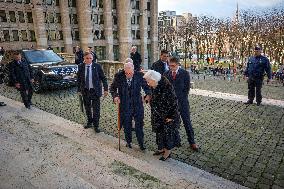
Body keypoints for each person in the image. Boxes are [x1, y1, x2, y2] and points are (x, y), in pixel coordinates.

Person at [110, 59, 151, 150]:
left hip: (137, 105)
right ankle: (128, 142)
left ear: (133, 70)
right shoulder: (119, 76)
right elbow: (112, 88)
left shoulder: (139, 75)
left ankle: (141, 144)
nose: (128, 75)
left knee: (139, 125)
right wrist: (115, 96)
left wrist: (147, 95)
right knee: (127, 125)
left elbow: (147, 87)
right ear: (124, 71)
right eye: (126, 73)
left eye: (130, 73)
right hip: (124, 105)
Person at [143, 70, 181, 161]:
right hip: (157, 114)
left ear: (153, 80)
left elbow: (174, 102)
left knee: (167, 134)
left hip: (167, 115)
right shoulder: (155, 83)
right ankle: (162, 149)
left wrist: (172, 117)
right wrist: (147, 98)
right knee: (159, 133)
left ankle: (167, 152)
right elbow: (153, 95)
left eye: (148, 81)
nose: (148, 84)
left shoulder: (166, 86)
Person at [164, 57, 199, 151]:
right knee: (171, 123)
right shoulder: (166, 74)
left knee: (187, 122)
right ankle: (174, 141)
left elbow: (186, 89)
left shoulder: (185, 73)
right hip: (171, 105)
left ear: (178, 65)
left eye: (173, 66)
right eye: (170, 66)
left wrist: (179, 100)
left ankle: (192, 142)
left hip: (182, 103)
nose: (171, 68)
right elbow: (165, 88)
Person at [77, 52, 108, 132]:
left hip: (95, 91)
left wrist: (106, 89)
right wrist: (78, 90)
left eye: (90, 58)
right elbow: (79, 79)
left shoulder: (97, 66)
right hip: (85, 91)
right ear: (84, 58)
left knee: (96, 109)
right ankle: (89, 122)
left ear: (92, 58)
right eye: (87, 58)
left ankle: (96, 125)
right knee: (87, 108)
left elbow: (103, 78)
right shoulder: (80, 67)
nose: (89, 60)